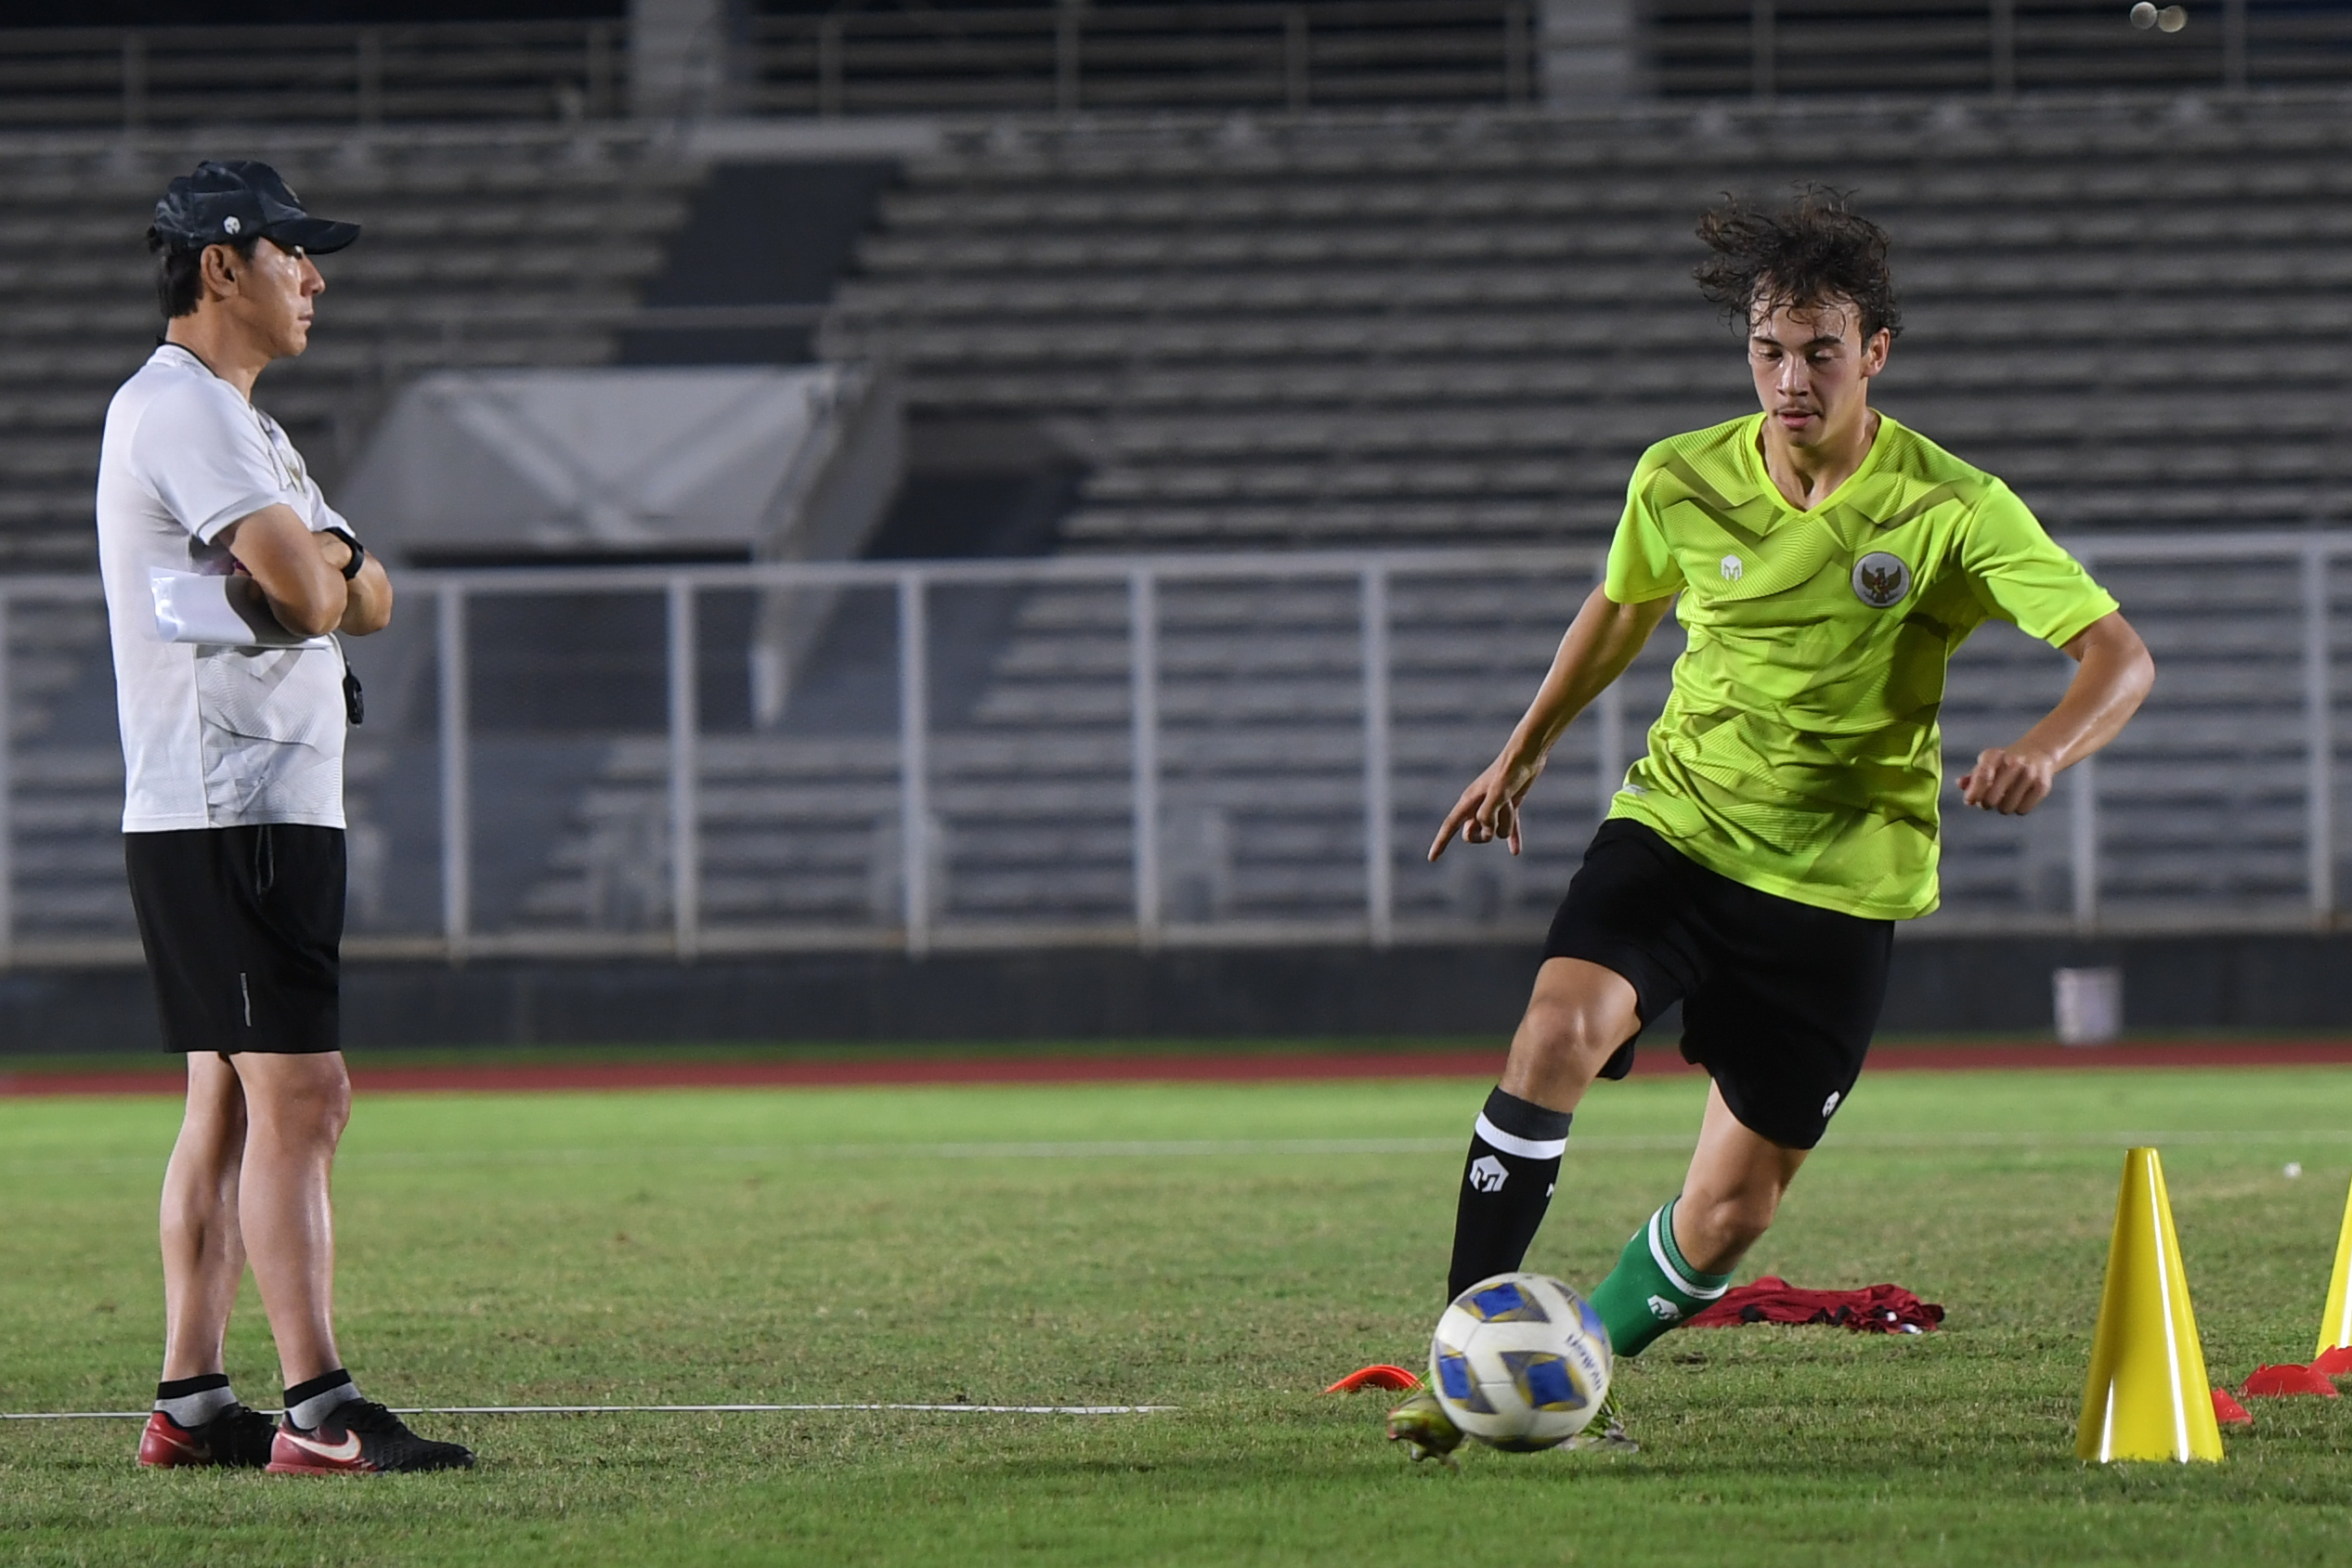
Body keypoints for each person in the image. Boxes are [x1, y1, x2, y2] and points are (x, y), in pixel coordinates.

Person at [1383, 189, 2155, 1459]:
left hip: (1840, 884)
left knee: (1730, 1212)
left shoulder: (1951, 506)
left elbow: (2117, 656)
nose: (1788, 379)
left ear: (1875, 354)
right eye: (1766, 350)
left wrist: (2042, 748)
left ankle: (1571, 1361)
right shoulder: (1677, 474)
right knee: (1554, 1028)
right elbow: (1621, 612)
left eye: (1818, 352)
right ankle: (1459, 1358)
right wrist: (1516, 755)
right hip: (1677, 830)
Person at [97, 160, 473, 1475]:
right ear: (220, 266)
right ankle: (320, 1412)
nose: (314, 278)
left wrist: (325, 569)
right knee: (304, 1096)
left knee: (234, 1103)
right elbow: (318, 598)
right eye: (291, 254)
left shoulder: (242, 423)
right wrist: (321, 570)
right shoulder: (187, 411)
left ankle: (191, 1404)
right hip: (231, 804)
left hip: (237, 801)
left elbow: (363, 594)